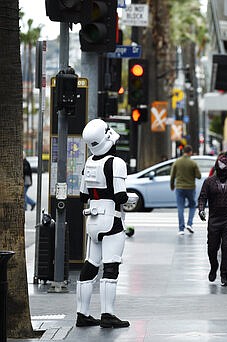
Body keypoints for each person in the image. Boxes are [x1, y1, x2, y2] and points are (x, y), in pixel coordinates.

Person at [76, 119, 131, 328]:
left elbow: (83, 195)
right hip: (112, 220)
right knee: (111, 267)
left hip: (93, 221)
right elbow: (120, 196)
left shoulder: (89, 162)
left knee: (91, 264)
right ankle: (108, 315)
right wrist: (130, 198)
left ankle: (82, 314)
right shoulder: (116, 163)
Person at [198, 155, 227, 286]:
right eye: (222, 171)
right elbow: (202, 197)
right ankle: (214, 266)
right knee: (212, 248)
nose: (224, 173)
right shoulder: (209, 182)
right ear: (217, 170)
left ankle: (224, 275)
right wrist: (201, 210)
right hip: (214, 218)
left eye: (226, 171)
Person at [170, 145, 201, 235]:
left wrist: (172, 185)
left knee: (180, 208)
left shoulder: (177, 162)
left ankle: (181, 229)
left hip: (179, 188)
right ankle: (190, 224)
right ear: (190, 152)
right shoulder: (193, 163)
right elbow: (198, 176)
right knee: (192, 206)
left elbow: (172, 176)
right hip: (190, 188)